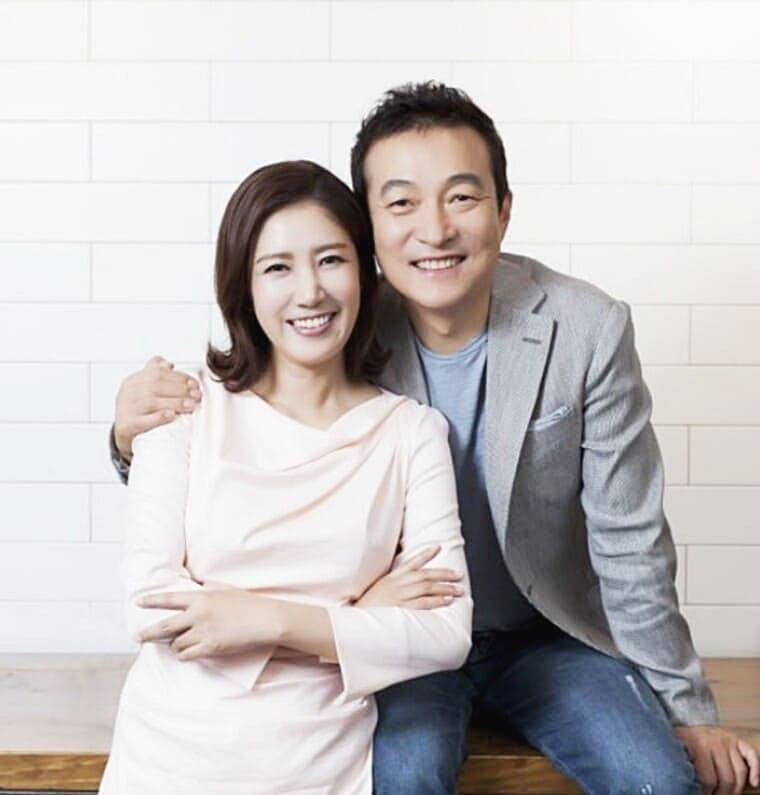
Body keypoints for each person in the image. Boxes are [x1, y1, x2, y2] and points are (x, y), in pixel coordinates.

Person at [110, 84, 760, 794]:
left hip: (540, 636)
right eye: (402, 203)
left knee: (654, 776)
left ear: (503, 209)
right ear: (369, 230)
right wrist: (128, 436)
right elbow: (240, 460)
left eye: (462, 197)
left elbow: (630, 540)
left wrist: (688, 709)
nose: (435, 229)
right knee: (406, 770)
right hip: (403, 640)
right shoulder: (335, 325)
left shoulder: (586, 330)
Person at [99, 159, 472, 795]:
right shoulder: (182, 406)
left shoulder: (411, 433)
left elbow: (445, 633)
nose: (310, 292)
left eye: (331, 260)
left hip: (318, 768)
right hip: (167, 763)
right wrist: (354, 618)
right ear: (242, 286)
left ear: (364, 273)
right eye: (278, 268)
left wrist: (263, 619)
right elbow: (150, 608)